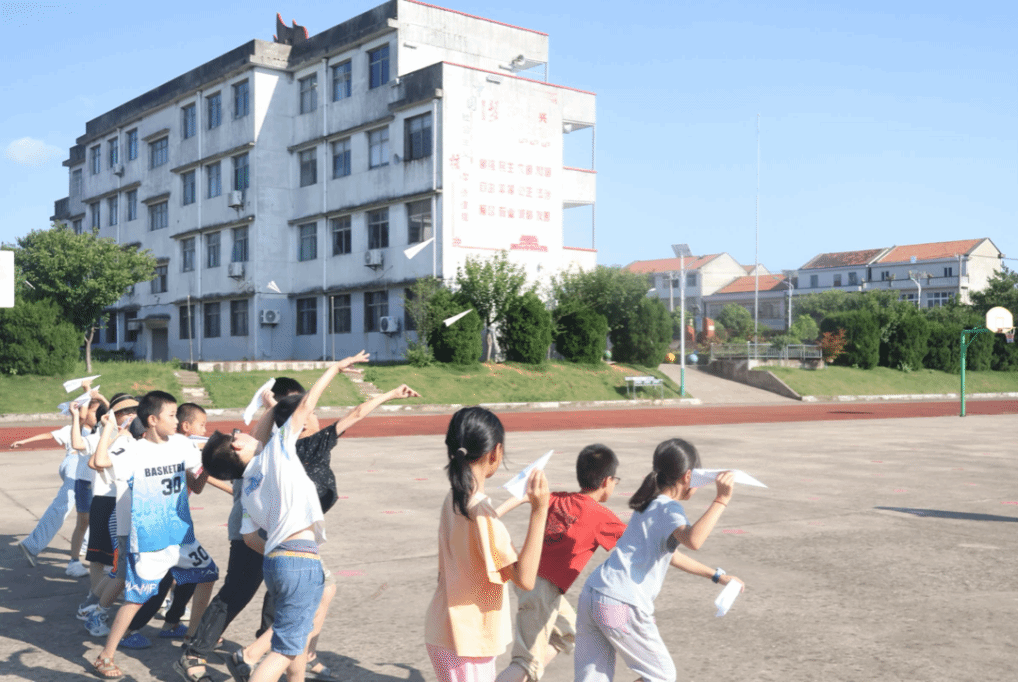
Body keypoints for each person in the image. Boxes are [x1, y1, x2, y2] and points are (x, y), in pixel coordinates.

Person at [177, 368, 418, 682]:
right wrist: (332, 373)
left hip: (279, 545)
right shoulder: (279, 450)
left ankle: (276, 652)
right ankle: (214, 653)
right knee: (242, 594)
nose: (311, 414)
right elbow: (315, 413)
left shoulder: (280, 452)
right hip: (285, 546)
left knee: (286, 604)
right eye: (306, 410)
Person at [200, 352, 368, 682]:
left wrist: (278, 551)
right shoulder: (275, 454)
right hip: (299, 562)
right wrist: (334, 369)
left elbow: (250, 537)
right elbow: (304, 407)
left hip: (276, 562)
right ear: (237, 448)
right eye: (236, 434)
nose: (244, 432)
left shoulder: (248, 487)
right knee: (284, 650)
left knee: (293, 639)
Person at [573, 438, 745, 682]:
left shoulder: (648, 504)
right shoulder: (668, 508)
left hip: (593, 594)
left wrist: (717, 576)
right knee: (662, 676)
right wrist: (722, 499)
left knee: (592, 678)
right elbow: (694, 540)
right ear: (688, 476)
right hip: (621, 604)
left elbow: (671, 555)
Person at [90, 391, 219, 679]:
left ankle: (192, 639)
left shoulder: (182, 444)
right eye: (171, 415)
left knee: (208, 574)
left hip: (181, 534)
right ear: (152, 419)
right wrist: (108, 429)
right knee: (135, 599)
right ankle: (105, 655)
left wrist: (210, 463)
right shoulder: (134, 451)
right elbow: (98, 462)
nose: (177, 420)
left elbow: (197, 487)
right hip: (150, 538)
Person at [424, 406, 550, 682]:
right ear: (496, 452)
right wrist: (540, 511)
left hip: (447, 628)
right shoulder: (480, 512)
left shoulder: (457, 497)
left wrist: (512, 503)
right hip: (467, 638)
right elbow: (525, 579)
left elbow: (481, 525)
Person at [495, 444, 627, 682]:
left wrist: (495, 514)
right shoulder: (602, 517)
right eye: (615, 480)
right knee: (525, 662)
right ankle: (525, 671)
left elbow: (524, 495)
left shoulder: (559, 498)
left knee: (569, 631)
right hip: (541, 590)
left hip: (529, 581)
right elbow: (637, 542)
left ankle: (529, 672)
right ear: (607, 481)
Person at [9, 384, 99, 574]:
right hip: (74, 466)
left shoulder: (95, 429)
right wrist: (87, 390)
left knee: (92, 507)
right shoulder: (78, 425)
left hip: (82, 468)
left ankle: (85, 544)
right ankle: (32, 544)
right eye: (95, 411)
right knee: (63, 506)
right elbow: (56, 430)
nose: (99, 415)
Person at [78, 395, 139, 627]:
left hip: (125, 503)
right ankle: (93, 606)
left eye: (135, 410)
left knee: (118, 569)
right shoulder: (114, 437)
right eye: (127, 412)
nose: (132, 415)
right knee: (105, 561)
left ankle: (94, 604)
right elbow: (95, 461)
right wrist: (111, 430)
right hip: (108, 501)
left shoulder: (135, 438)